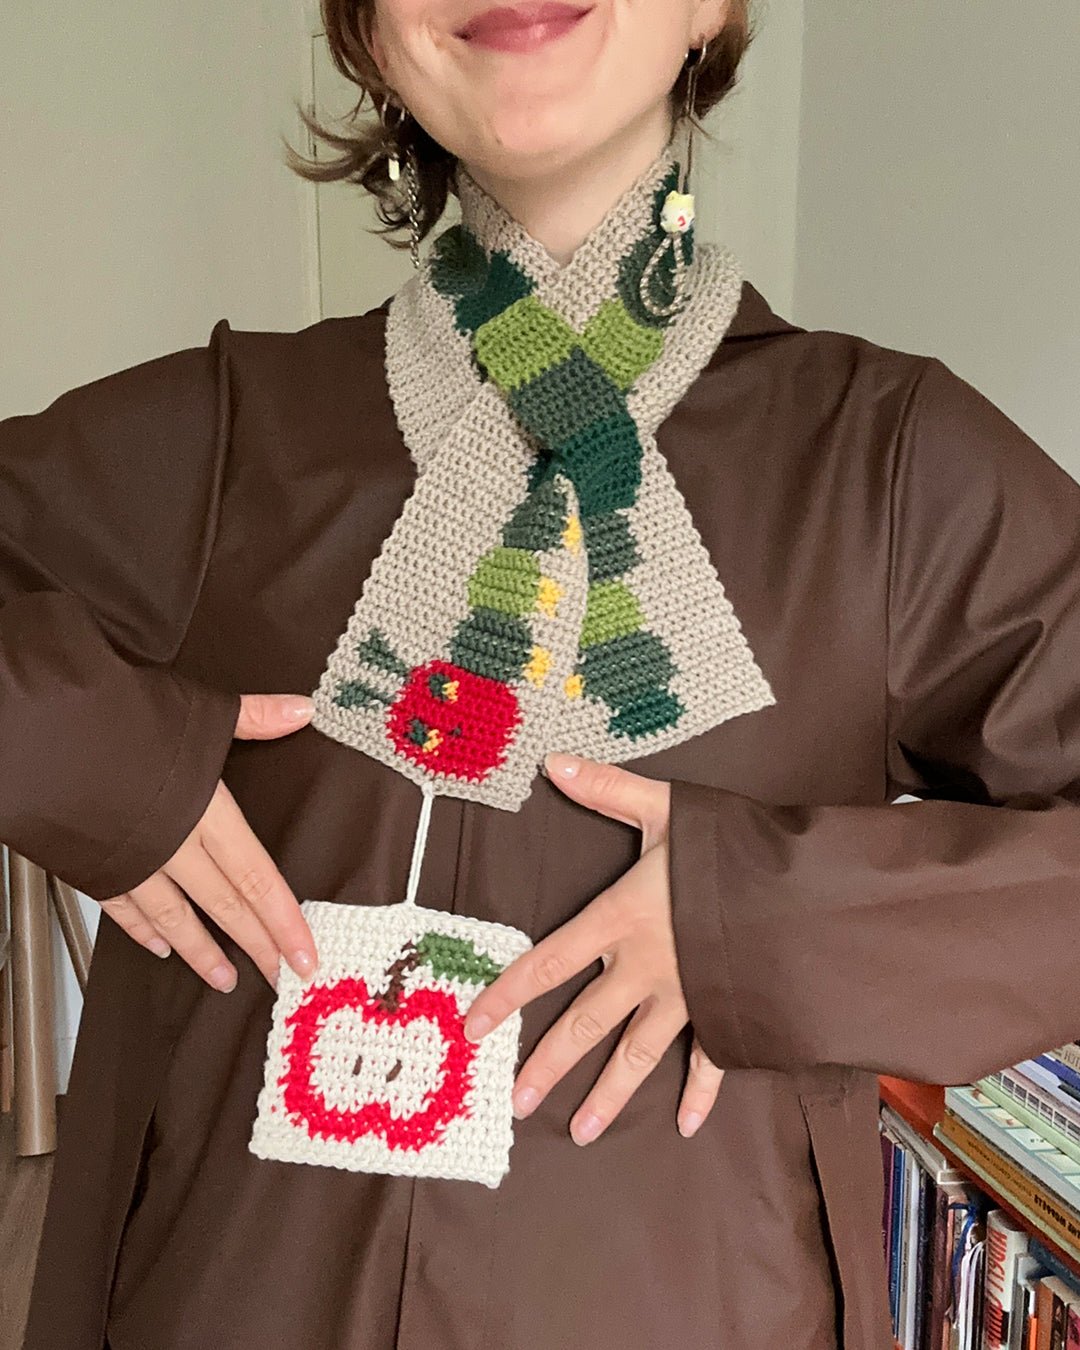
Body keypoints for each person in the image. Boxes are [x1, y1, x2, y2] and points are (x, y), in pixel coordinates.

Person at [11, 0, 1080, 1346]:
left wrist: (761, 919)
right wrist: (93, 762)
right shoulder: (225, 435)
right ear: (365, 33)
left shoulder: (891, 470)